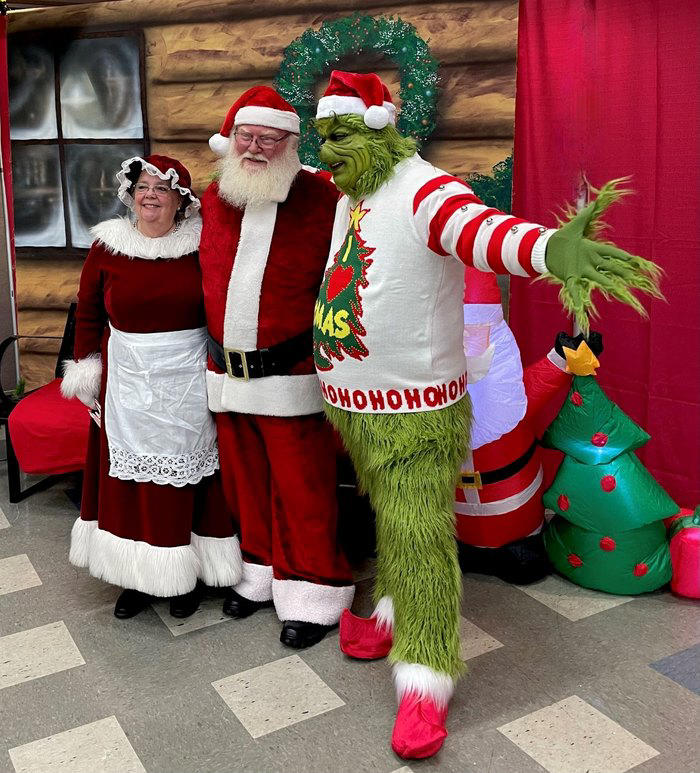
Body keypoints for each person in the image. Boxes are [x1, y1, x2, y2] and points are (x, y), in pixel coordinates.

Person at [311, 70, 662, 759]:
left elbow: (479, 232)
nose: (327, 149)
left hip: (413, 412)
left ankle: (426, 674)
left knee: (420, 535)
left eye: (341, 134)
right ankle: (390, 615)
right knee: (393, 521)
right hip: (356, 405)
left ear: (379, 132)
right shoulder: (352, 194)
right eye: (323, 134)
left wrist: (549, 250)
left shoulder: (425, 189)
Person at [200, 86, 354, 649]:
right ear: (231, 137)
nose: (255, 147)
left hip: (292, 374)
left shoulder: (323, 199)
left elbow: (348, 281)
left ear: (291, 143)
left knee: (302, 488)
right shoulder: (215, 196)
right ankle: (258, 572)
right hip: (225, 373)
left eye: (269, 138)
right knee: (244, 483)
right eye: (247, 136)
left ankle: (314, 588)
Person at [61, 154, 240, 620]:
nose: (150, 196)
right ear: (130, 194)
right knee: (129, 480)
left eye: (161, 188)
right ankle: (137, 577)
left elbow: (223, 305)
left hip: (186, 377)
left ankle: (185, 575)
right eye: (142, 187)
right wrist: (86, 369)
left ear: (180, 200)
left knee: (187, 476)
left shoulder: (201, 246)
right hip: (126, 378)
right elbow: (88, 309)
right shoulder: (108, 246)